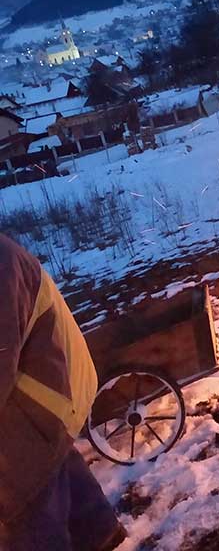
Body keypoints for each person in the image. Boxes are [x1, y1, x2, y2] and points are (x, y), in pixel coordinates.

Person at [0, 234, 126, 551]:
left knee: (23, 499)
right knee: (56, 462)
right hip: (47, 392)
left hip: (41, 401)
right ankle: (99, 532)